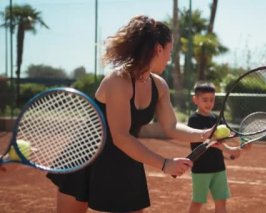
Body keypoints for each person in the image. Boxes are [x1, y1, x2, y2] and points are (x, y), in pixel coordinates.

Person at [46, 15, 214, 213]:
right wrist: (164, 164)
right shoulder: (118, 81)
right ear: (159, 49)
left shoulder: (158, 85)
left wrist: (204, 134)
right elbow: (121, 136)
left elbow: (170, 126)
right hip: (86, 156)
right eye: (170, 50)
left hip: (127, 157)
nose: (170, 57)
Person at [187, 81, 244, 213]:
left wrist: (241, 142)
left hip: (219, 168)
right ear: (195, 99)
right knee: (197, 202)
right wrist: (229, 150)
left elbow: (229, 134)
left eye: (212, 100)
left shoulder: (216, 118)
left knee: (221, 202)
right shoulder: (194, 119)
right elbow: (210, 141)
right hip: (201, 169)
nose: (209, 103)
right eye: (205, 100)